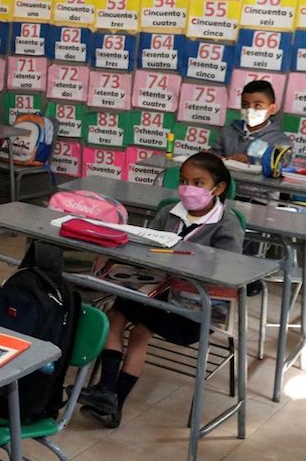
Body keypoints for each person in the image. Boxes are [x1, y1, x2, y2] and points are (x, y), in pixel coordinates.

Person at [79, 152, 243, 428]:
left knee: (140, 331)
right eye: (184, 181)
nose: (188, 189)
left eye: (198, 183)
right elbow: (145, 248)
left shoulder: (227, 225)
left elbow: (227, 271)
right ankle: (106, 390)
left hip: (193, 305)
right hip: (156, 290)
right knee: (115, 315)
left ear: (219, 188)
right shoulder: (168, 213)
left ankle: (114, 400)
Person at [210, 80, 291, 163]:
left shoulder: (281, 142)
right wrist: (210, 157)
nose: (250, 110)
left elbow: (282, 165)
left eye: (258, 106)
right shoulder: (227, 132)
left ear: (272, 109)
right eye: (245, 105)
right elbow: (215, 157)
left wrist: (251, 161)